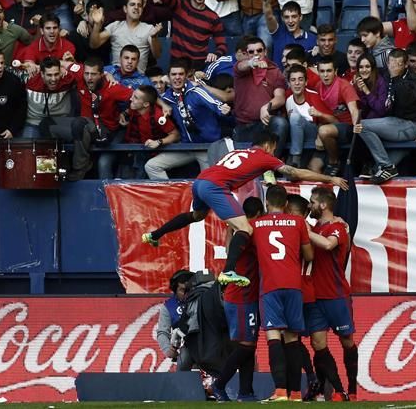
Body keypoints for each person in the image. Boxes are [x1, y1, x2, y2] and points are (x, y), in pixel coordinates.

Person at [141, 130, 347, 286]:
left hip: (200, 181)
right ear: (269, 145)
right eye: (274, 149)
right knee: (245, 229)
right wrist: (330, 178)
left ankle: (155, 235)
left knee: (197, 215)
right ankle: (228, 271)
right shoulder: (263, 156)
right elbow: (294, 172)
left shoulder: (241, 152)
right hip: (216, 187)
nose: (273, 153)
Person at [250, 184, 313, 402]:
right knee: (293, 338)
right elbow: (309, 255)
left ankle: (280, 392)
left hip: (271, 286)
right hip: (294, 285)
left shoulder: (257, 224)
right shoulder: (298, 222)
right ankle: (295, 393)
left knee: (273, 336)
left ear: (267, 203)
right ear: (286, 205)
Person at [306, 186, 356, 402]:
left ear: (323, 205)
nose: (310, 205)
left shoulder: (337, 227)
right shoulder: (315, 228)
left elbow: (328, 245)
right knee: (318, 344)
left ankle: (353, 389)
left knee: (347, 341)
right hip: (315, 296)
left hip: (336, 295)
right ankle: (338, 391)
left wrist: (302, 230)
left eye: (313, 202)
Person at [212, 197, 262, 402]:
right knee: (246, 345)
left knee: (248, 344)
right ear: (259, 214)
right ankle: (219, 384)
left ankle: (246, 392)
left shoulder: (239, 231)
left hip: (239, 295)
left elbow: (228, 248)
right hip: (242, 296)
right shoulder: (251, 232)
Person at [148, 58, 230, 179]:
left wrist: (223, 108)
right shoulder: (167, 97)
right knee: (152, 166)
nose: (177, 77)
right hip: (186, 147)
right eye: (174, 74)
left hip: (206, 147)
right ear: (169, 77)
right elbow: (148, 96)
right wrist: (163, 104)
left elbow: (216, 103)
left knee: (208, 183)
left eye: (181, 74)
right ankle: (170, 197)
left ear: (186, 76)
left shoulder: (197, 91)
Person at [356, 48, 416, 183]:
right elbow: (369, 71)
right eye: (391, 63)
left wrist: (396, 78)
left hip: (411, 126)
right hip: (394, 126)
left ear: (405, 65)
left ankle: (387, 165)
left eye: (398, 64)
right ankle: (386, 166)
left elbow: (404, 101)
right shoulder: (386, 76)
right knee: (376, 172)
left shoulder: (413, 80)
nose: (394, 67)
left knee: (362, 126)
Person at [162, 0, 227, 70]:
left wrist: (216, 54)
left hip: (200, 66)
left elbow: (222, 45)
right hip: (177, 64)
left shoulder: (213, 17)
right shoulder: (179, 5)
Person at [89, 0, 162, 72]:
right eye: (132, 4)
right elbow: (94, 44)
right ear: (125, 9)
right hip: (115, 77)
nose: (136, 7)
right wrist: (97, 24)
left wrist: (154, 38)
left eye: (139, 5)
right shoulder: (115, 26)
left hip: (137, 80)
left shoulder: (149, 29)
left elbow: (157, 55)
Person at [312, 56, 360, 176]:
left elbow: (354, 109)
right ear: (318, 72)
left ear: (336, 71)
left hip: (347, 127)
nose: (325, 75)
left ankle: (334, 162)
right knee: (313, 167)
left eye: (329, 71)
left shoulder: (344, 86)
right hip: (328, 126)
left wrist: (356, 125)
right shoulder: (318, 86)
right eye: (322, 71)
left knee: (323, 131)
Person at [285, 63, 335, 169]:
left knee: (295, 117)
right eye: (293, 80)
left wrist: (320, 115)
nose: (297, 83)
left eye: (300, 79)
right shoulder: (287, 98)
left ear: (306, 82)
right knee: (291, 177)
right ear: (289, 83)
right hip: (297, 138)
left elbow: (335, 120)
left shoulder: (314, 96)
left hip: (314, 137)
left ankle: (295, 158)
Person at [157, 269, 195, 371]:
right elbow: (162, 332)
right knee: (184, 359)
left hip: (209, 346)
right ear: (175, 290)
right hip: (187, 349)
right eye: (182, 290)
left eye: (189, 289)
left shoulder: (203, 300)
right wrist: (167, 349)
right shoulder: (168, 307)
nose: (187, 294)